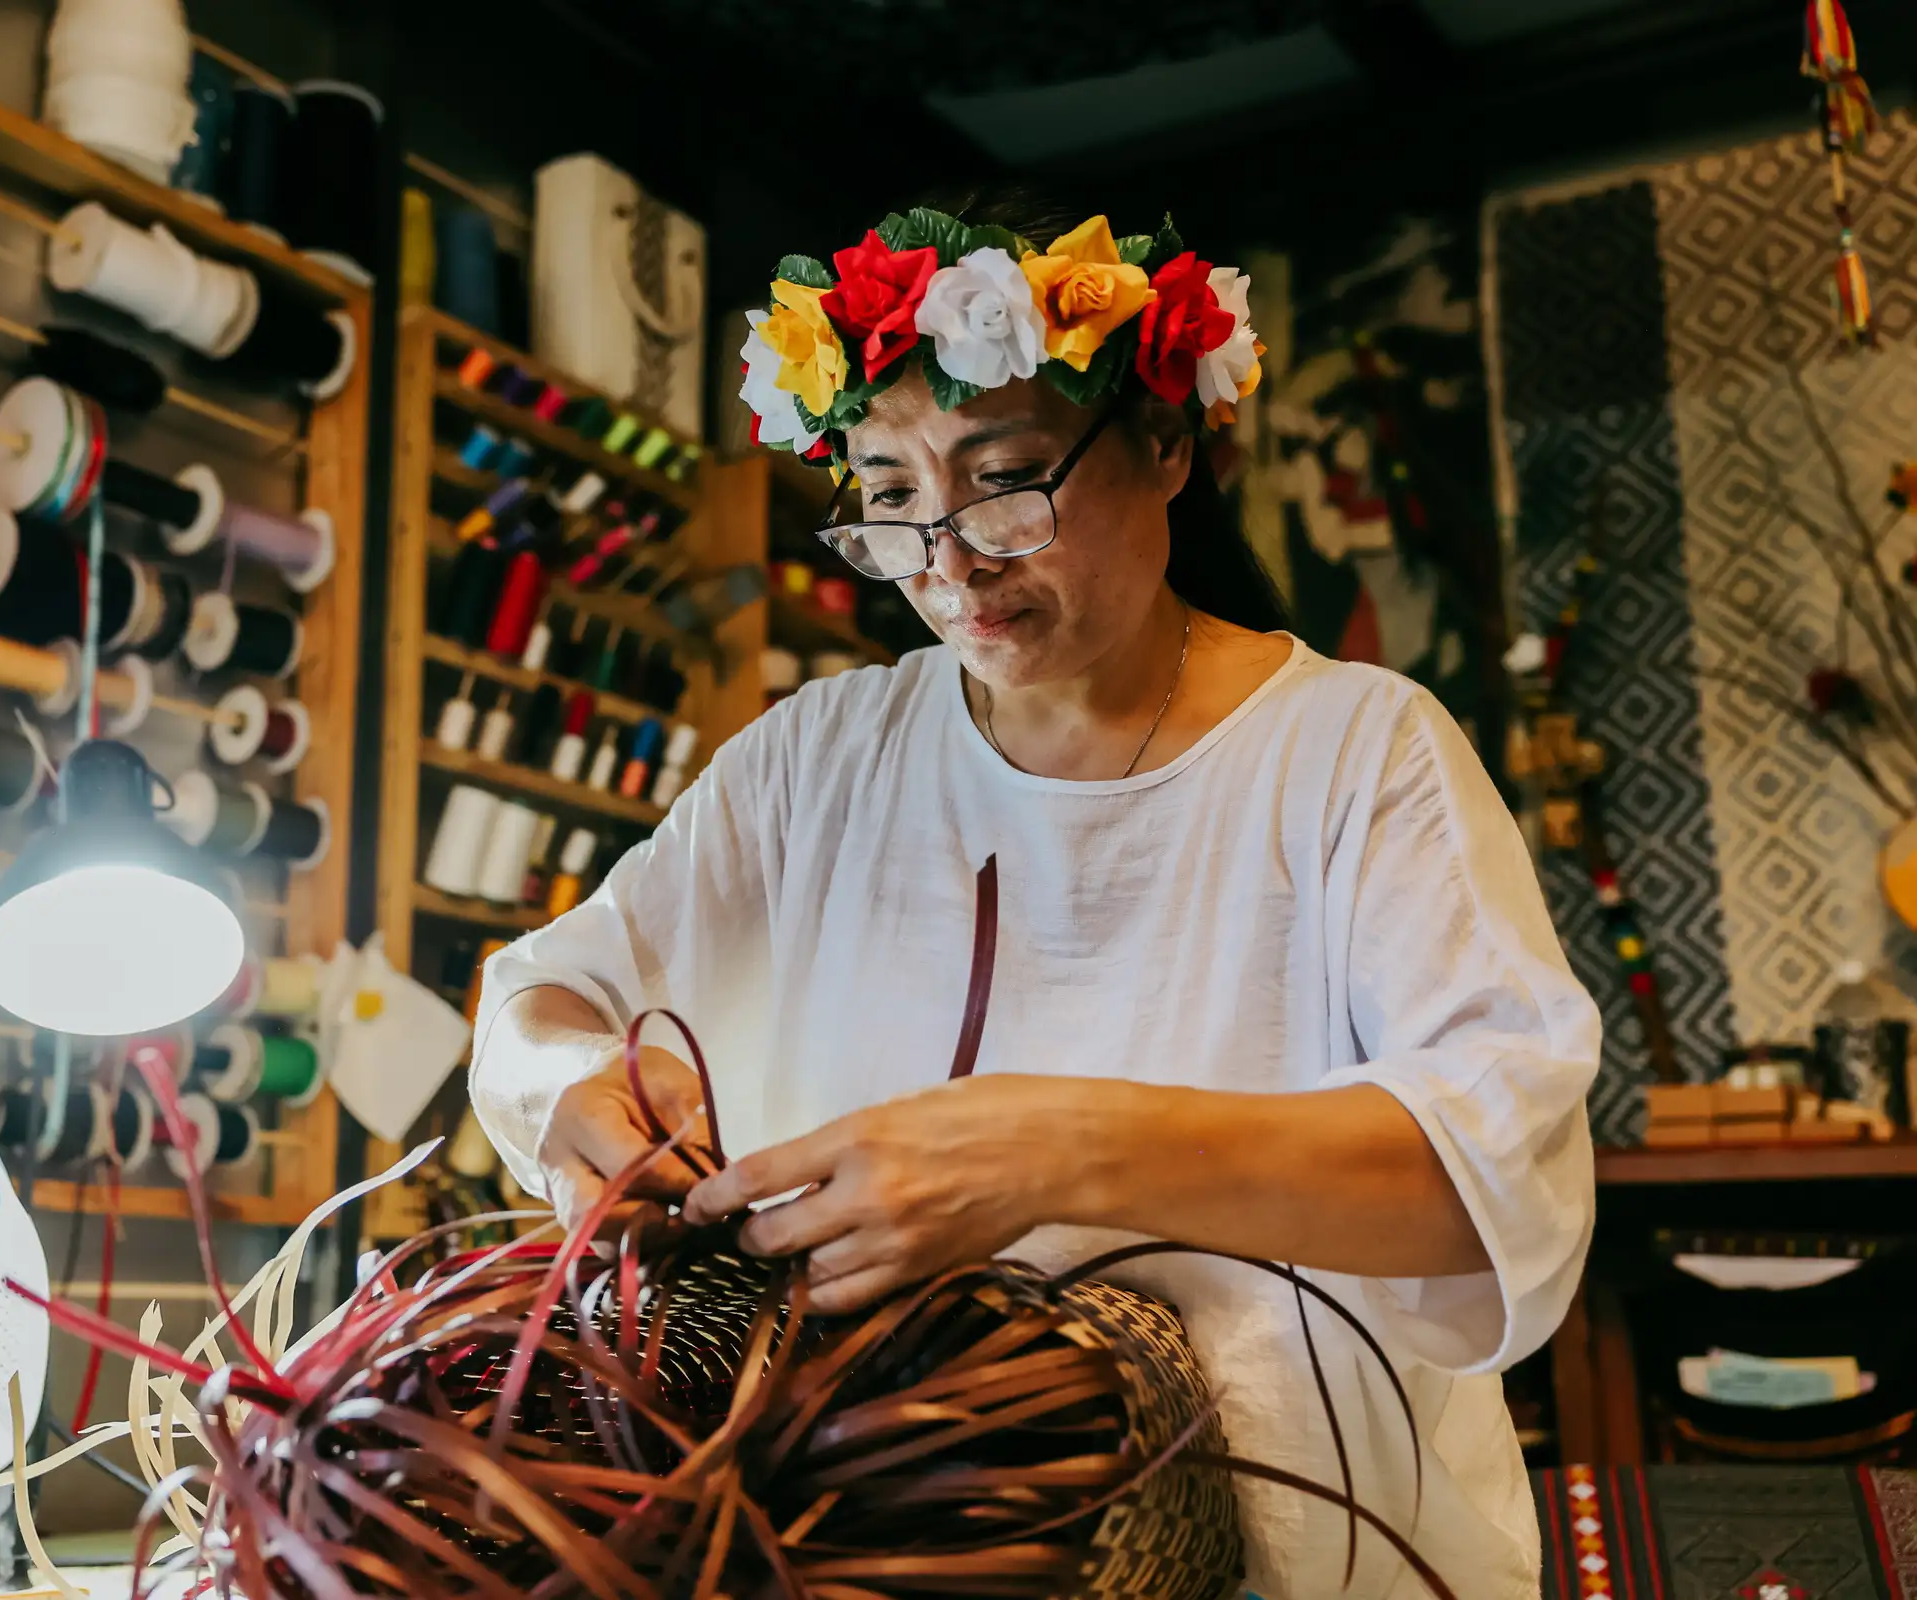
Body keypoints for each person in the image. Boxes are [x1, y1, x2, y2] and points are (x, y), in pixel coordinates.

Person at [468, 193, 1598, 1600]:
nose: (948, 562)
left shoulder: (1357, 753)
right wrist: (581, 1088)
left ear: (1171, 444)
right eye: (889, 497)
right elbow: (534, 998)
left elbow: (1492, 1187)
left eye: (1005, 478)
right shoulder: (818, 761)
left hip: (1296, 1543)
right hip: (886, 1537)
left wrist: (1051, 1152)